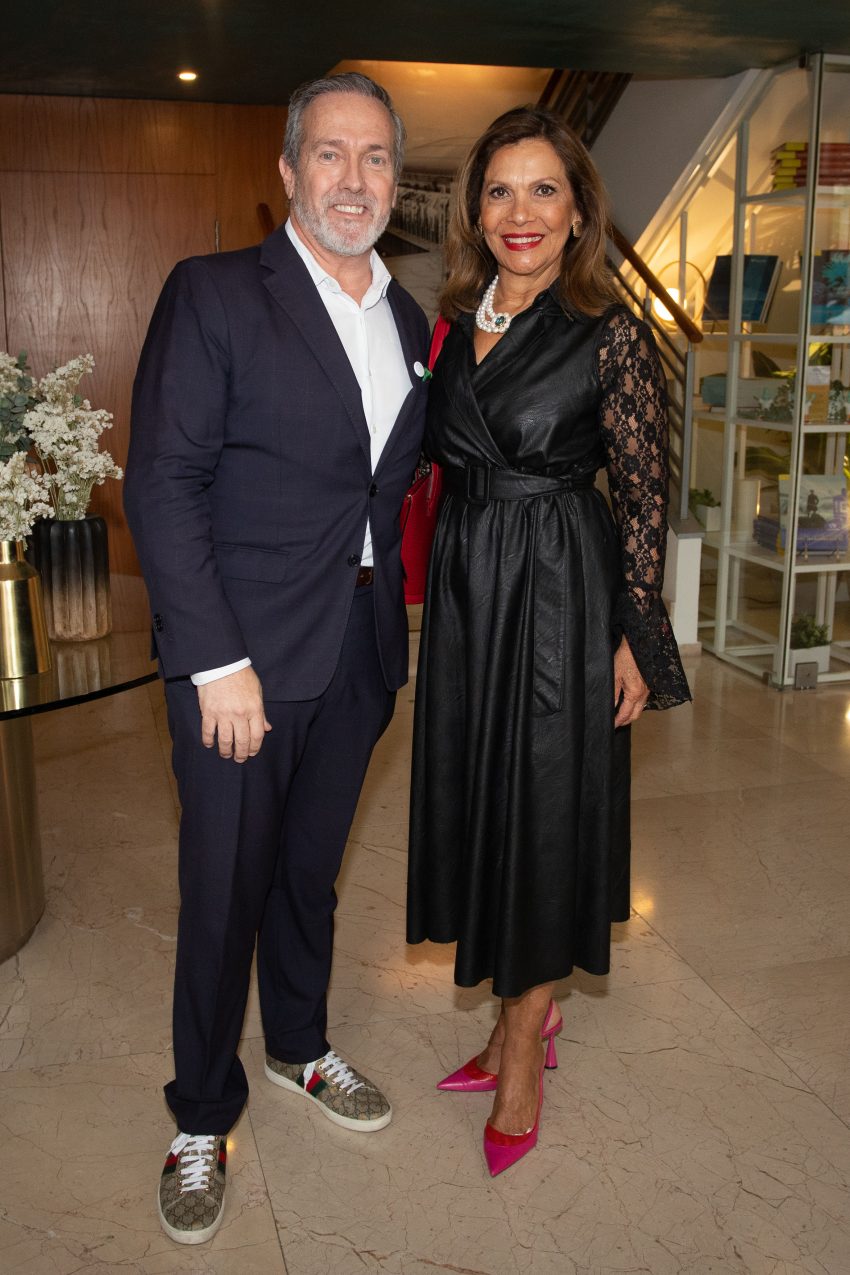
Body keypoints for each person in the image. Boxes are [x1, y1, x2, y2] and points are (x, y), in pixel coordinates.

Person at [124, 72, 429, 1244]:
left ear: (395, 182)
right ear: (290, 171)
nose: (355, 179)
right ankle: (201, 1116)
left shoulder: (407, 319)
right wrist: (214, 664)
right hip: (241, 670)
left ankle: (299, 1045)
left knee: (308, 876)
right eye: (332, 155)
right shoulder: (213, 293)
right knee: (223, 894)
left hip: (357, 651)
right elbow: (164, 484)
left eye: (376, 159)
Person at [406, 106, 690, 1176]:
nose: (518, 212)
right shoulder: (452, 321)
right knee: (487, 796)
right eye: (499, 190)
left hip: (561, 593)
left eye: (543, 190)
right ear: (475, 211)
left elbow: (645, 495)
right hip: (470, 594)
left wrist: (635, 634)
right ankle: (513, 1017)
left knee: (544, 810)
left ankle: (524, 1043)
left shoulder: (609, 330)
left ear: (578, 213)